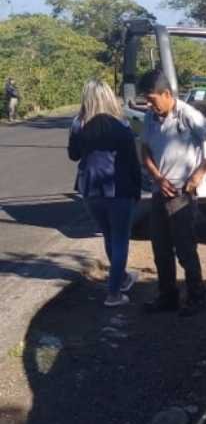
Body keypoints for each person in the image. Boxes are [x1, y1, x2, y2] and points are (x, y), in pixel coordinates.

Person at [137, 68, 206, 317]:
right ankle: (168, 297)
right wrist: (156, 175)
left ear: (166, 94)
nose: (149, 103)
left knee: (185, 249)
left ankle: (197, 298)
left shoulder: (188, 115)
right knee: (160, 249)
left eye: (152, 98)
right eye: (146, 99)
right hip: (159, 190)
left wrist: (198, 175)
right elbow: (144, 150)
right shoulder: (150, 117)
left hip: (181, 195)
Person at [68, 80, 142, 307]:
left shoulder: (79, 124)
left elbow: (73, 155)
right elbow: (132, 163)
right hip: (118, 189)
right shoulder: (122, 125)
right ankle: (114, 293)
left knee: (110, 237)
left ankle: (122, 279)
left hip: (90, 190)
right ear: (109, 97)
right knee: (120, 240)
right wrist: (137, 190)